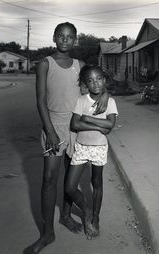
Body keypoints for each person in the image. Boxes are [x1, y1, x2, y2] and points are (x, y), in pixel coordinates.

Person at [24, 22, 108, 254]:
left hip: (76, 128)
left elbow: (94, 85)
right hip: (54, 127)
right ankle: (47, 233)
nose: (65, 40)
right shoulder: (45, 64)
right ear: (54, 37)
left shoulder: (79, 65)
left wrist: (106, 92)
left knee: (70, 177)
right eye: (61, 35)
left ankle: (66, 216)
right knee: (49, 179)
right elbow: (40, 101)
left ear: (75, 40)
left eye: (70, 37)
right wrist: (49, 130)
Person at [65, 65, 118, 239]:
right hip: (81, 146)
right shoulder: (81, 100)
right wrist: (96, 124)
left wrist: (86, 118)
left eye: (99, 79)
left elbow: (110, 125)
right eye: (90, 80)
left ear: (104, 80)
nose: (95, 83)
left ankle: (95, 218)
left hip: (98, 148)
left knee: (97, 184)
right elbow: (75, 124)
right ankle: (87, 210)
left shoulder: (109, 102)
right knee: (70, 187)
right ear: (85, 83)